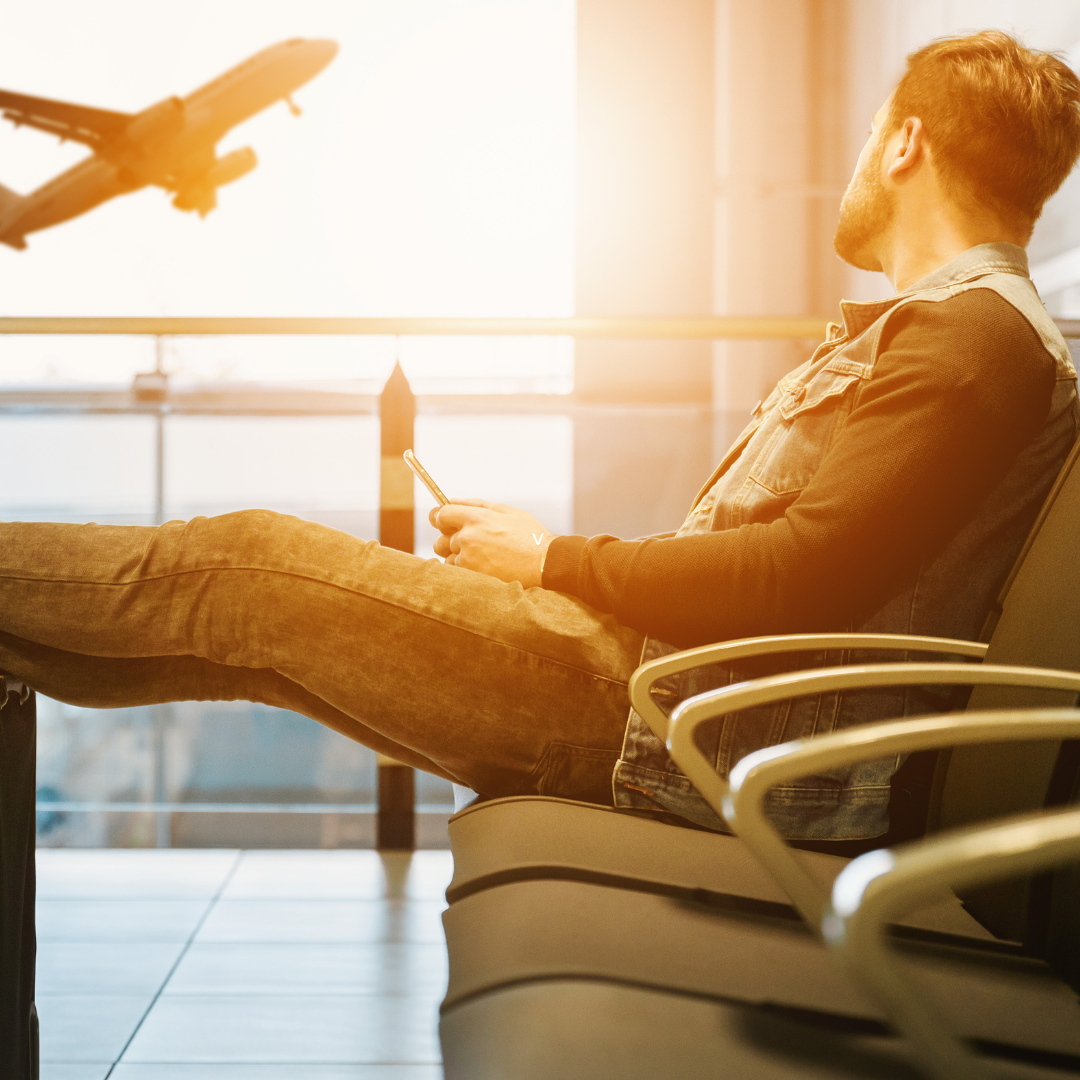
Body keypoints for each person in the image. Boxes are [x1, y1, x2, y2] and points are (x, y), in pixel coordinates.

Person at [2, 29, 1079, 841]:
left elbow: (802, 576)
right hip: (675, 701)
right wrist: (555, 566)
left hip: (674, 725)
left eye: (866, 138)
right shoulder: (970, 339)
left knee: (236, 566)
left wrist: (555, 561)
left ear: (904, 142)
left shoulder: (970, 342)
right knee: (241, 640)